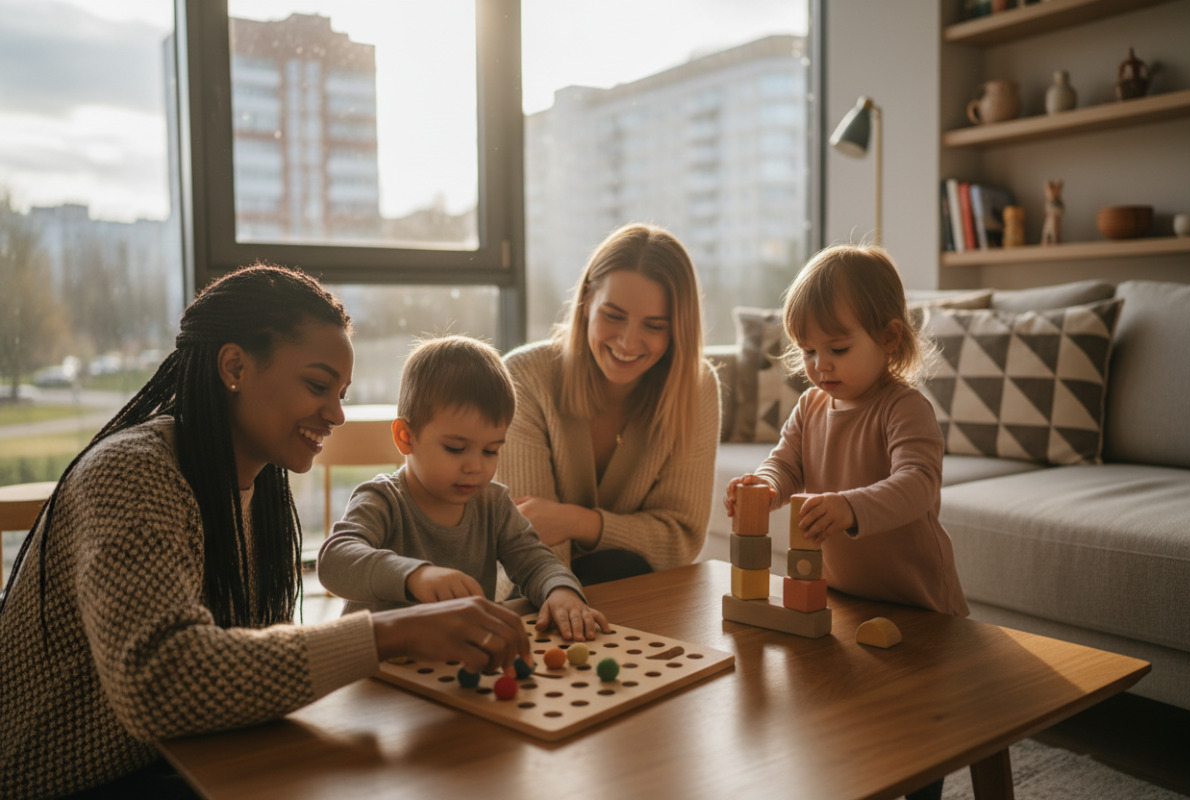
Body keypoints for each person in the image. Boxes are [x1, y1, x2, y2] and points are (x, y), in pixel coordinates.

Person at [0, 264, 531, 800]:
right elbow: (159, 681)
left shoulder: (260, 485)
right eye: (318, 385)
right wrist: (395, 632)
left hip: (189, 757)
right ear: (234, 366)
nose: (338, 415)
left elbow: (245, 668)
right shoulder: (131, 473)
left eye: (342, 392)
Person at [725, 244, 969, 618]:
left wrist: (850, 507)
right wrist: (763, 487)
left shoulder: (904, 408)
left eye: (837, 349)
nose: (821, 365)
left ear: (888, 339)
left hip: (919, 603)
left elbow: (918, 483)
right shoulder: (810, 407)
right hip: (844, 596)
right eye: (808, 351)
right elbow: (785, 466)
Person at [317, 335, 609, 641]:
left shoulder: (494, 504)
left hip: (459, 657)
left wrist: (560, 590)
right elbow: (335, 561)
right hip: (378, 669)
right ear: (406, 437)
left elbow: (535, 560)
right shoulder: (381, 500)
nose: (475, 467)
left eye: (490, 451)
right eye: (456, 449)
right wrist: (415, 576)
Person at [496, 223, 720, 586]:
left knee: (620, 568)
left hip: (637, 591)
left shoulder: (697, 387)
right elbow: (530, 540)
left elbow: (680, 540)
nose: (629, 342)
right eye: (613, 316)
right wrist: (565, 604)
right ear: (586, 302)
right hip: (535, 592)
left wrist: (577, 521)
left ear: (677, 328)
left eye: (654, 325)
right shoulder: (525, 378)